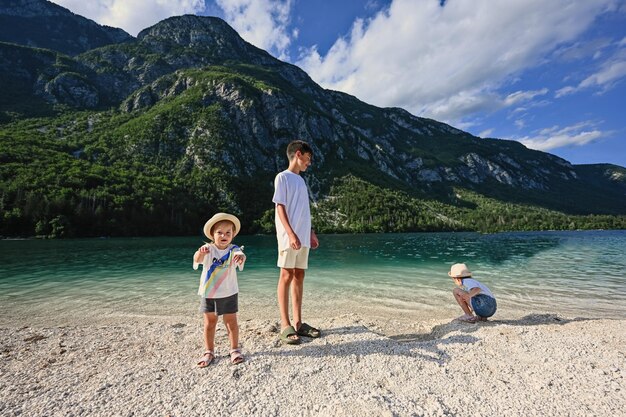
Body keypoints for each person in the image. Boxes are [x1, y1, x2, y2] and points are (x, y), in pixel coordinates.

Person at [272, 140, 320, 345]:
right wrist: (291, 234)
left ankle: (299, 323)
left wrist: (310, 232)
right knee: (286, 274)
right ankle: (285, 324)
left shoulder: (301, 181)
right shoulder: (282, 177)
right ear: (298, 154)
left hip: (303, 236)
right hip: (288, 236)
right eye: (308, 159)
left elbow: (303, 211)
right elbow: (280, 207)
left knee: (299, 274)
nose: (309, 163)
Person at [193, 213, 246, 366]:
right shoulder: (208, 249)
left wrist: (241, 258)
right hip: (209, 292)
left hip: (228, 292)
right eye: (220, 232)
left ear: (233, 235)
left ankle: (234, 349)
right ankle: (209, 351)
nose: (224, 235)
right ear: (212, 235)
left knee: (231, 322)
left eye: (228, 233)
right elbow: (197, 260)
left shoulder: (234, 249)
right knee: (209, 323)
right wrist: (200, 253)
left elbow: (241, 255)